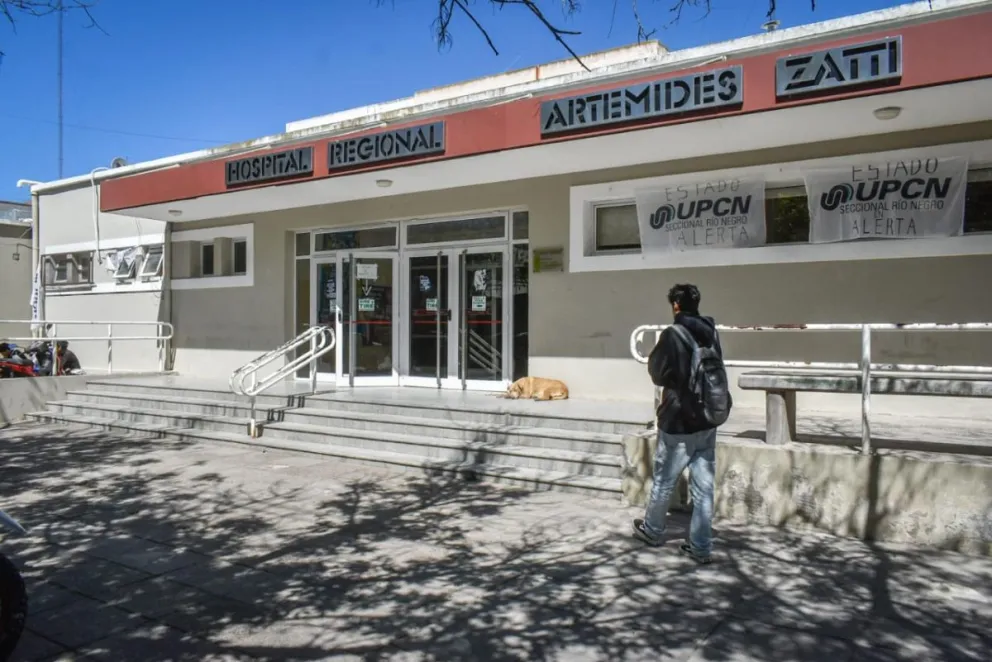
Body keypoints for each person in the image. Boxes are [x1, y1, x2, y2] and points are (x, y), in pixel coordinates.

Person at [631, 283, 730, 564]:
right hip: (708, 418)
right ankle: (700, 546)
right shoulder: (711, 332)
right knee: (704, 487)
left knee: (664, 480)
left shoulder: (673, 334)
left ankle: (652, 530)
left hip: (679, 419)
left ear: (675, 305)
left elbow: (657, 373)